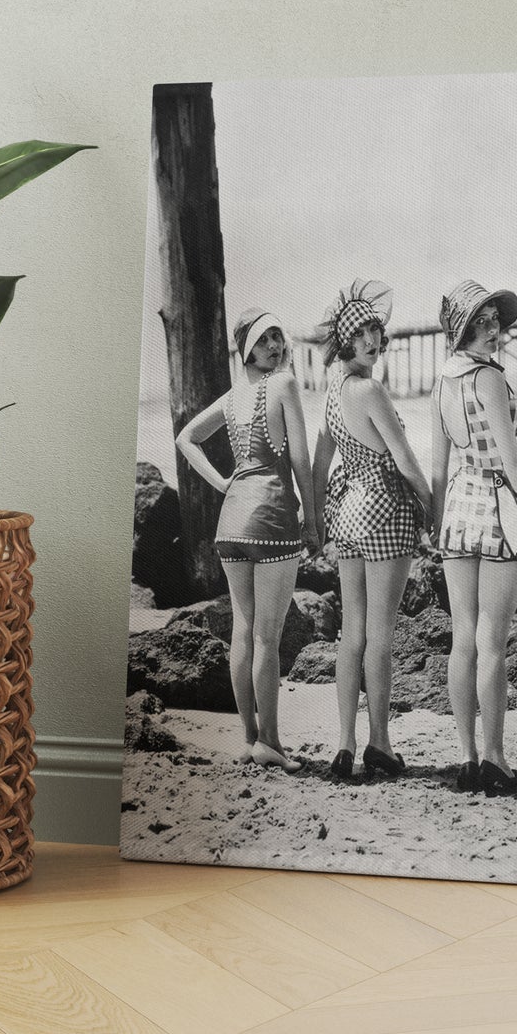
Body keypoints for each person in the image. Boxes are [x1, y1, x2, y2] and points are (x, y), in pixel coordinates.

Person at [175, 309, 319, 773]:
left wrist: (222, 484)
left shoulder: (234, 396)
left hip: (231, 521)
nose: (276, 347)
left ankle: (249, 738)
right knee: (267, 637)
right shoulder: (285, 385)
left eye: (279, 336)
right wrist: (313, 518)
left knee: (243, 629)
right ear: (249, 350)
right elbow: (299, 458)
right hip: (273, 519)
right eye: (266, 340)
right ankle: (272, 743)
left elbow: (186, 438)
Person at [312, 281, 432, 783]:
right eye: (363, 334)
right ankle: (379, 743)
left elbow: (320, 464)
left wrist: (316, 518)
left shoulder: (333, 393)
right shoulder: (370, 389)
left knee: (350, 635)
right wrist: (433, 504)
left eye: (377, 334)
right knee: (380, 635)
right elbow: (403, 458)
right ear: (344, 340)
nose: (373, 343)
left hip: (348, 513)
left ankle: (343, 745)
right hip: (383, 508)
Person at [432, 280, 517, 797]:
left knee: (463, 638)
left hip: (459, 506)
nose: (496, 326)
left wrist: (437, 519)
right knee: (492, 640)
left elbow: (439, 466)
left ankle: (466, 756)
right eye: (486, 319)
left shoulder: (442, 381)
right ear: (467, 326)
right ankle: (495, 757)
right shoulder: (490, 379)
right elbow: (512, 457)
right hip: (500, 508)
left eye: (496, 317)